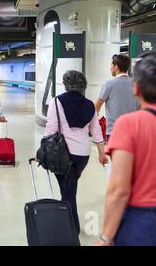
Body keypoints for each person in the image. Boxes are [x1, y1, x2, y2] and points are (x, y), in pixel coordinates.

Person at [98, 53, 156, 246]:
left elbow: (119, 190)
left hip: (144, 223)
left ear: (136, 88)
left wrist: (106, 237)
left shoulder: (128, 124)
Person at [43, 70, 107, 235]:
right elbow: (96, 130)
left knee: (68, 191)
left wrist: (41, 151)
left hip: (62, 155)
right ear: (83, 85)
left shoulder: (57, 102)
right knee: (69, 189)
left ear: (66, 84)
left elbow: (51, 128)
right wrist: (101, 153)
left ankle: (71, 229)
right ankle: (66, 224)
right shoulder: (90, 105)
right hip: (82, 155)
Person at [95, 54, 139, 140]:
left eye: (111, 65)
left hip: (114, 132)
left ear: (116, 67)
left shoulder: (109, 84)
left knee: (116, 154)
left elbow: (97, 105)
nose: (110, 67)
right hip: (133, 131)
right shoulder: (136, 84)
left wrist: (93, 122)